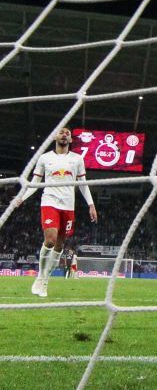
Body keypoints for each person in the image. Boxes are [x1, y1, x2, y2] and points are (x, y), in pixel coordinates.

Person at [9, 127, 98, 298]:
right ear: (55, 137)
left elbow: (83, 184)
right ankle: (41, 277)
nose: (64, 135)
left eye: (67, 133)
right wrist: (21, 198)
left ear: (71, 140)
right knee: (50, 240)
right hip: (49, 202)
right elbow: (35, 183)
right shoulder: (45, 158)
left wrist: (91, 205)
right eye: (61, 132)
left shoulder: (77, 159)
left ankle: (45, 280)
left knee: (59, 246)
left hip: (68, 206)